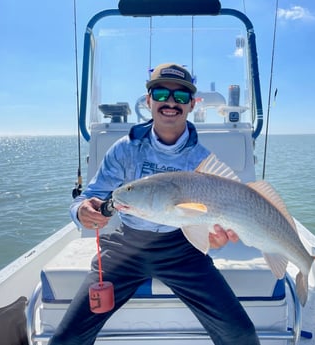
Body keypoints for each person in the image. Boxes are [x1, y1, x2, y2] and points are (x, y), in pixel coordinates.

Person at [49, 63, 261, 345]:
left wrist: (214, 237)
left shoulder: (202, 159)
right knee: (66, 338)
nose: (171, 102)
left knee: (242, 335)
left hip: (182, 248)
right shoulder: (125, 148)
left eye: (181, 97)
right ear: (148, 100)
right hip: (125, 247)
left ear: (192, 105)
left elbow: (210, 220)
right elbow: (88, 196)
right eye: (161, 93)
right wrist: (82, 211)